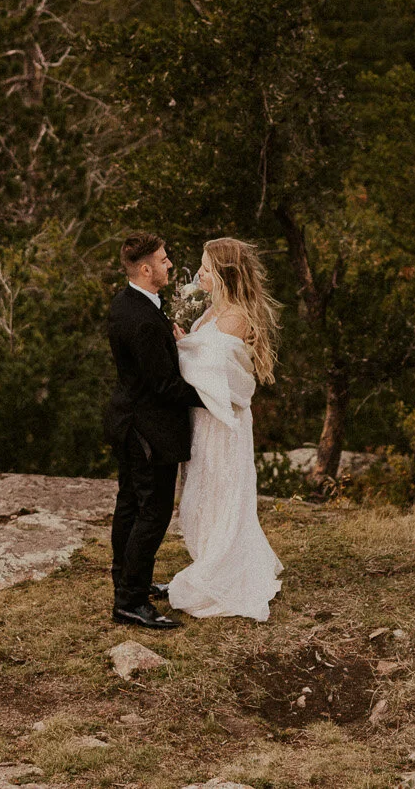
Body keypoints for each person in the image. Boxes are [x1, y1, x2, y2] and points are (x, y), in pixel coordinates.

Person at [165, 236, 283, 621]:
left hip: (223, 422)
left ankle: (221, 572)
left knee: (221, 492)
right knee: (202, 490)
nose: (199, 272)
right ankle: (209, 561)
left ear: (223, 274)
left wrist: (182, 350)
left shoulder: (236, 316)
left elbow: (218, 371)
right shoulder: (216, 311)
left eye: (206, 267)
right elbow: (204, 355)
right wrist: (188, 342)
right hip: (204, 419)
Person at [104, 231, 204, 629]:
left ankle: (129, 582)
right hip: (147, 430)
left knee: (130, 505)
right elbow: (163, 385)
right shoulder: (142, 319)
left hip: (129, 421)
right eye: (162, 260)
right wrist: (213, 397)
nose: (168, 264)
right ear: (145, 269)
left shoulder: (129, 302)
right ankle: (130, 601)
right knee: (153, 512)